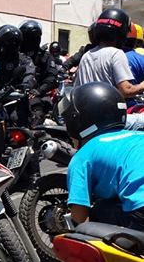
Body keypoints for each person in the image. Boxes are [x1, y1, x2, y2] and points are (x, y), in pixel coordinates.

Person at [60, 81, 144, 229]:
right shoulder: (138, 135)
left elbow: (79, 218)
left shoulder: (82, 156)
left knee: (99, 210)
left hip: (140, 213)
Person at [73, 6, 144, 128]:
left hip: (87, 119)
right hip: (109, 120)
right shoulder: (116, 53)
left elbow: (77, 90)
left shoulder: (87, 55)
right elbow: (126, 90)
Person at [19, 19, 62, 126]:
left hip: (38, 94)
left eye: (32, 37)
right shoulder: (16, 55)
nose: (29, 40)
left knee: (38, 114)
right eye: (26, 36)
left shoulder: (45, 56)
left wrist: (38, 91)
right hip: (14, 94)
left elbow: (52, 78)